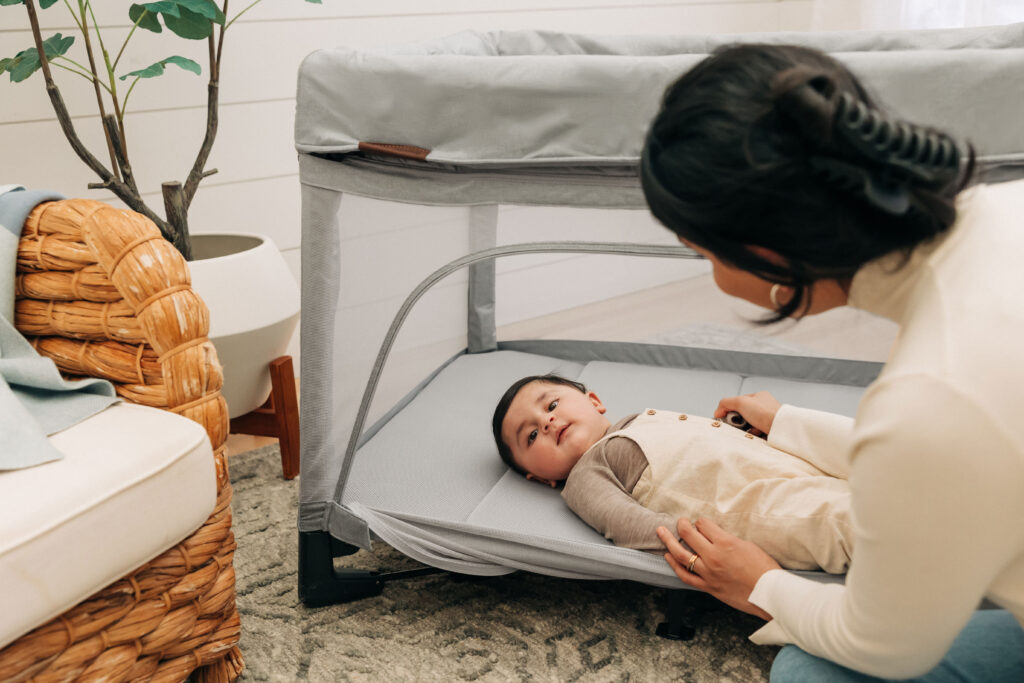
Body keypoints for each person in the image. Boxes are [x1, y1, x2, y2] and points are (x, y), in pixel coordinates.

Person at [639, 43, 1024, 681]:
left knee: (805, 671)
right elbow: (969, 456)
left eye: (701, 252)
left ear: (763, 249)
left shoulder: (930, 398)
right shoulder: (1006, 209)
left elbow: (885, 648)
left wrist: (763, 584)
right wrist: (788, 423)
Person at [492, 374, 854, 573]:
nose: (547, 420)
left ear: (595, 402)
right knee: (840, 519)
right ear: (540, 478)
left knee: (867, 473)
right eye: (532, 434)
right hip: (759, 508)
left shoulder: (639, 419)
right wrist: (699, 552)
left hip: (781, 462)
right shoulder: (587, 474)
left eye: (551, 404)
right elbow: (629, 524)